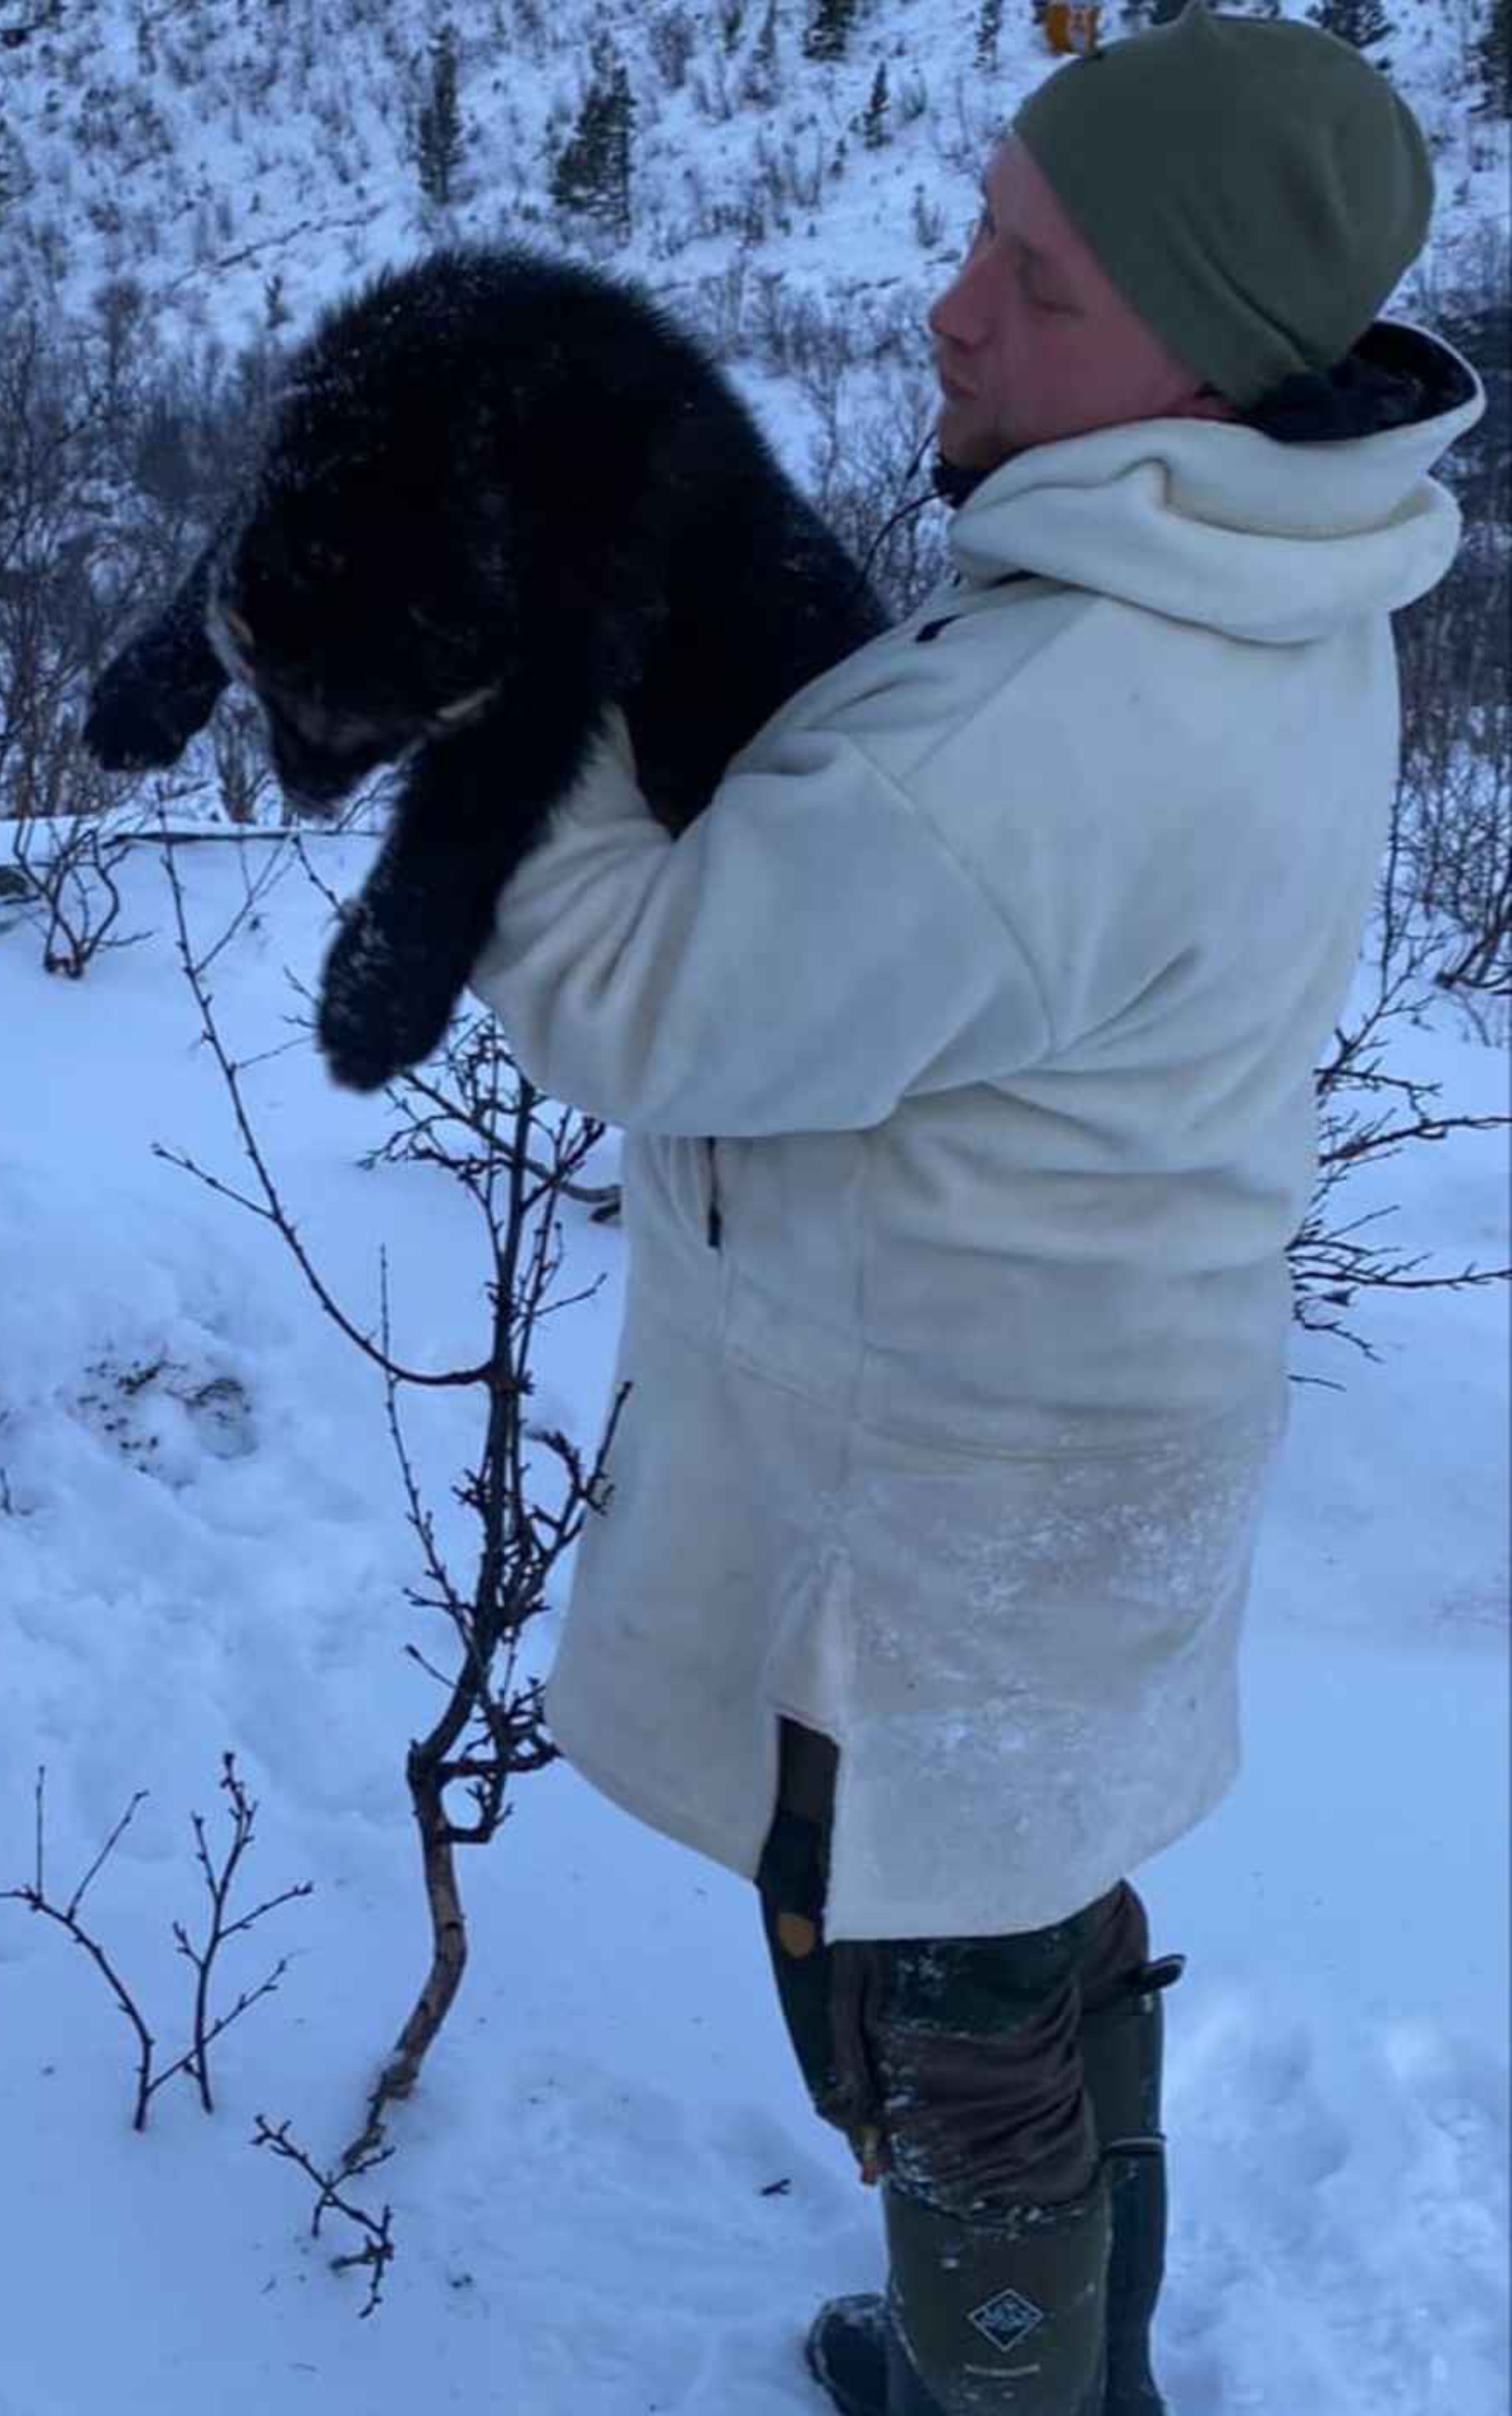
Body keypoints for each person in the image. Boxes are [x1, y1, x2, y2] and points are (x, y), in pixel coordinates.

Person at [466, 10, 1483, 2414]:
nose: (953, 304)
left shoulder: (1051, 722)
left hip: (921, 1518)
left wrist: (530, 689)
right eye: (975, 232)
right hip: (1093, 1435)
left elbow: (633, 994)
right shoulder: (1259, 578)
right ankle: (1062, 2378)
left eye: (1031, 275)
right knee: (1032, 1932)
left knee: (930, 2012)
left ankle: (1002, 2385)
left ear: (1210, 357)